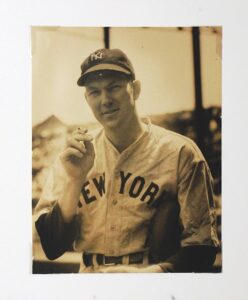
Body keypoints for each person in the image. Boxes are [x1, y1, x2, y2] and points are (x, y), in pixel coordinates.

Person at [34, 48, 219, 273]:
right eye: (94, 92)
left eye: (114, 87)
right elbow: (52, 246)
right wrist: (74, 181)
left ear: (136, 89)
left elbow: (203, 247)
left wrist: (150, 276)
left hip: (153, 281)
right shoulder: (73, 156)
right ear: (87, 99)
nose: (105, 100)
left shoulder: (180, 152)